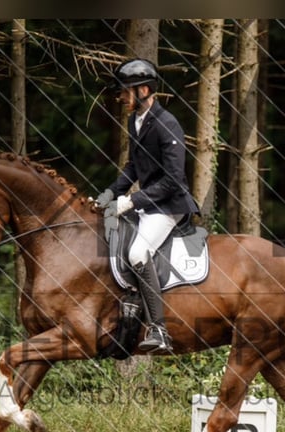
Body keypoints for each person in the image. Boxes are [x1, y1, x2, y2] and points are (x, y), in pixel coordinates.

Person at [97, 58, 200, 354]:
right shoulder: (136, 120)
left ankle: (159, 329)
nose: (121, 98)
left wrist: (131, 201)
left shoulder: (168, 124)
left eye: (125, 92)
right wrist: (109, 194)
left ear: (143, 90)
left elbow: (173, 180)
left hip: (170, 205)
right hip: (149, 203)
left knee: (138, 252)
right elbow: (133, 167)